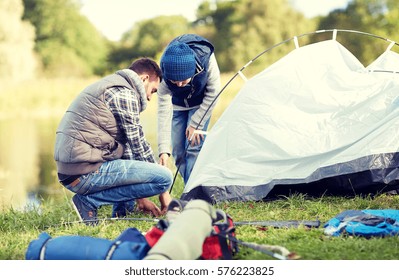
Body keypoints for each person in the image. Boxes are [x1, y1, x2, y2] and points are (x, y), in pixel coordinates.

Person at [54, 58, 173, 225]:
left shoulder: (112, 86)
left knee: (123, 153)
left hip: (74, 170)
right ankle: (89, 201)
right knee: (165, 177)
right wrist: (164, 194)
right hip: (83, 172)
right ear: (144, 79)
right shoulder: (124, 94)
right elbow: (139, 145)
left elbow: (128, 150)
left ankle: (122, 212)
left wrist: (140, 198)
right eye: (153, 91)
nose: (149, 98)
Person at [157, 34, 221, 184]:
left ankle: (194, 190)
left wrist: (196, 123)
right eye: (174, 81)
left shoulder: (206, 59)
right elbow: (163, 112)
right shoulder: (165, 72)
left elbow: (214, 92)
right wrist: (163, 150)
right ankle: (190, 186)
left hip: (201, 105)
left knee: (193, 148)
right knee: (178, 152)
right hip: (177, 106)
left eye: (183, 81)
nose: (179, 85)